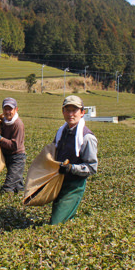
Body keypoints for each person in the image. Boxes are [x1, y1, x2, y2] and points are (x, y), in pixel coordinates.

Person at [50, 95, 98, 225]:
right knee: (61, 219)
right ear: (63, 111)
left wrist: (71, 168)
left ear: (82, 112)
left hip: (73, 186)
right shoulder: (61, 132)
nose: (71, 114)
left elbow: (92, 168)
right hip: (59, 182)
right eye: (67, 110)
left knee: (56, 223)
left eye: (74, 110)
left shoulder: (87, 137)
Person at [0, 97, 26, 193]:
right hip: (8, 157)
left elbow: (15, 145)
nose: (7, 112)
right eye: (5, 109)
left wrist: (0, 139)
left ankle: (7, 203)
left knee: (8, 187)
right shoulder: (4, 121)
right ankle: (23, 200)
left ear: (16, 109)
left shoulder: (18, 124)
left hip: (17, 158)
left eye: (10, 109)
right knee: (18, 187)